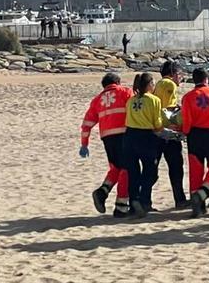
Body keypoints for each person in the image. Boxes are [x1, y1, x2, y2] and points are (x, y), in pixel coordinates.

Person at [79, 72, 134, 217]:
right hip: (123, 134)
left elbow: (86, 124)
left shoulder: (97, 100)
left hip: (107, 138)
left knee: (115, 168)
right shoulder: (126, 92)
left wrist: (84, 144)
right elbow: (136, 108)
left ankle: (102, 192)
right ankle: (121, 206)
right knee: (125, 169)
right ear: (118, 82)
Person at [182, 68, 209, 218]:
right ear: (207, 79)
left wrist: (186, 131)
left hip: (194, 135)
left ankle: (198, 206)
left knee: (196, 170)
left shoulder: (187, 97)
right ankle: (202, 194)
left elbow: (186, 122)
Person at [124, 72, 166, 216]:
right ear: (149, 85)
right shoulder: (154, 100)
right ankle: (144, 201)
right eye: (153, 84)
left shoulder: (130, 100)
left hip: (129, 136)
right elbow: (157, 124)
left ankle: (134, 202)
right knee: (150, 171)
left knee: (133, 173)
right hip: (145, 137)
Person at [154, 61, 188, 208]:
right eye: (180, 75)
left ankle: (144, 201)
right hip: (167, 130)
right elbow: (167, 109)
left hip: (156, 129)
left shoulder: (159, 84)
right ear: (174, 74)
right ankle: (179, 199)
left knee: (152, 168)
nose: (181, 78)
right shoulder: (169, 84)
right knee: (176, 166)